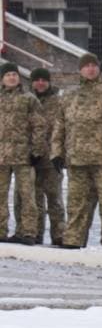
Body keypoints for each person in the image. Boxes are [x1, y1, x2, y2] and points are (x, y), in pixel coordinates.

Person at [51, 52, 102, 249]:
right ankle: (73, 240)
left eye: (93, 65)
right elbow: (60, 125)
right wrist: (57, 152)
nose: (90, 69)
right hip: (77, 160)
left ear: (98, 68)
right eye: (86, 66)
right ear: (80, 69)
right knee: (76, 204)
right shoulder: (70, 95)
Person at [0, 62, 45, 244]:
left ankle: (27, 232)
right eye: (8, 74)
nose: (12, 77)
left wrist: (37, 150)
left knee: (27, 196)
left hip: (23, 156)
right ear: (2, 79)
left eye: (14, 74)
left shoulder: (28, 99)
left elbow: (39, 126)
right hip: (1, 156)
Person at [28, 68, 66, 245]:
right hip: (30, 158)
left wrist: (61, 154)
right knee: (34, 199)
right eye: (37, 80)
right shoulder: (26, 100)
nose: (41, 83)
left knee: (54, 199)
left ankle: (59, 235)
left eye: (44, 80)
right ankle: (35, 233)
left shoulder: (59, 102)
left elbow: (65, 128)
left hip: (52, 159)